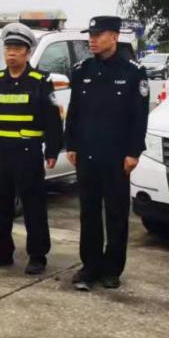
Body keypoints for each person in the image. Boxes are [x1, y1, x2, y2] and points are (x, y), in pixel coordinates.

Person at [64, 15, 149, 290]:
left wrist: (134, 152)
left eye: (98, 35)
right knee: (88, 213)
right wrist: (71, 144)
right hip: (87, 153)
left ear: (114, 36)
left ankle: (112, 268)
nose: (93, 40)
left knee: (115, 214)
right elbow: (74, 111)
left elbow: (139, 117)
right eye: (90, 35)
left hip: (116, 156)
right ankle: (90, 266)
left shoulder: (132, 72)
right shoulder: (83, 70)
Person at [0, 22, 64, 275]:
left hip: (28, 153)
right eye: (8, 48)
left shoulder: (40, 81)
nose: (11, 53)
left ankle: (37, 255)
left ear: (27, 52)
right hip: (0, 153)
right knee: (0, 205)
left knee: (33, 206)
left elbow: (53, 120)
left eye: (17, 48)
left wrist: (52, 151)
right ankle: (1, 251)